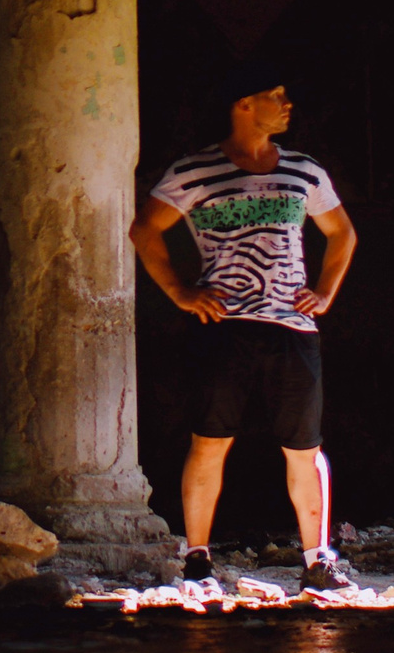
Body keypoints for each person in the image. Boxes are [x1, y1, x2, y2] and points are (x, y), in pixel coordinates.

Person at [130, 60, 360, 592]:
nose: (286, 103)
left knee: (304, 448)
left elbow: (342, 234)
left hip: (292, 329)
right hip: (223, 327)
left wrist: (325, 291)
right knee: (209, 442)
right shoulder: (194, 171)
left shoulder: (304, 170)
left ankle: (318, 560)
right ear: (243, 105)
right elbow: (145, 230)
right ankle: (197, 559)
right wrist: (181, 292)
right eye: (273, 94)